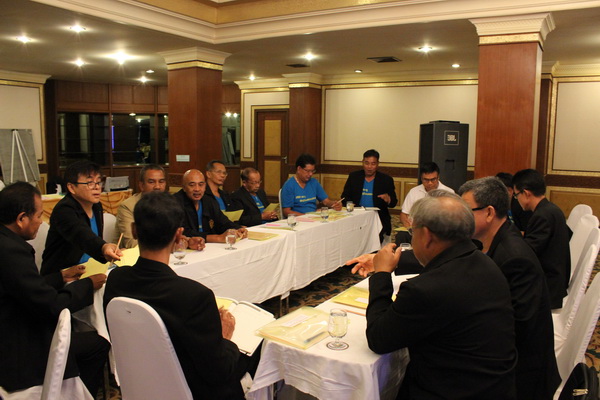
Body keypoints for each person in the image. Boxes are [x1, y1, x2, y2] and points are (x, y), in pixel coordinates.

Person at [104, 192, 258, 399]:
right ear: (179, 235)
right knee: (256, 344)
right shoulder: (195, 296)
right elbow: (218, 371)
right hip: (193, 388)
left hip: (140, 380)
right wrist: (225, 338)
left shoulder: (116, 280)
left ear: (134, 230)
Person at [363, 193, 516, 399]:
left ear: (426, 235)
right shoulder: (486, 263)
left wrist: (381, 274)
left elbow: (378, 339)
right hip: (495, 387)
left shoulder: (425, 289)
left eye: (412, 232)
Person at [0, 182, 109, 397]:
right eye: (39, 216)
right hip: (18, 347)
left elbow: (24, 287)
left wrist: (60, 277)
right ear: (21, 219)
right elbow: (52, 305)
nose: (41, 222)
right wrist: (88, 285)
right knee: (97, 344)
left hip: (11, 327)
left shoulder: (6, 242)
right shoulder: (12, 251)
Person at [458, 177, 560, 400]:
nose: (460, 219)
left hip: (520, 375)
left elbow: (517, 327)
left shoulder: (514, 258)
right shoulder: (493, 241)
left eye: (466, 211)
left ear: (489, 213)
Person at [41, 160, 122, 276]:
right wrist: (103, 247)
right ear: (71, 187)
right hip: (64, 274)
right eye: (90, 183)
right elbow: (81, 234)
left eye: (99, 182)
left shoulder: (96, 206)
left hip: (91, 268)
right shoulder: (64, 210)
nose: (97, 187)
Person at [512, 168, 571, 309]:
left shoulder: (542, 215)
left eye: (516, 195)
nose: (516, 199)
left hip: (548, 286)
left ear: (526, 193)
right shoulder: (550, 209)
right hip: (554, 278)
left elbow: (528, 253)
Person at [173, 169, 247, 243]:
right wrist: (217, 238)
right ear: (184, 187)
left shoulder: (208, 200)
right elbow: (182, 231)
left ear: (205, 186)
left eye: (201, 185)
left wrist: (237, 228)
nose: (197, 189)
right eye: (192, 185)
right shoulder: (175, 203)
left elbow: (223, 221)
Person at [341, 149, 397, 242]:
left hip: (378, 218)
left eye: (373, 164)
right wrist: (349, 204)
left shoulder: (386, 179)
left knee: (376, 243)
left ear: (377, 164)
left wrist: (388, 199)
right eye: (366, 163)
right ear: (362, 162)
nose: (369, 167)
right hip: (357, 215)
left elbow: (394, 203)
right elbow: (345, 197)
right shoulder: (354, 177)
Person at [396, 162, 454, 244]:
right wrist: (409, 227)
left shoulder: (448, 193)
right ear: (421, 178)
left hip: (438, 231)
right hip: (416, 229)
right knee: (401, 235)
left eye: (433, 179)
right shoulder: (414, 192)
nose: (430, 183)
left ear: (438, 177)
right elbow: (404, 214)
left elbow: (453, 218)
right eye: (426, 180)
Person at [116, 164, 167, 248]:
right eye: (151, 182)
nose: (157, 187)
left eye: (161, 182)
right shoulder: (128, 206)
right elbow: (131, 243)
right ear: (141, 185)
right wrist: (168, 244)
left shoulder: (169, 204)